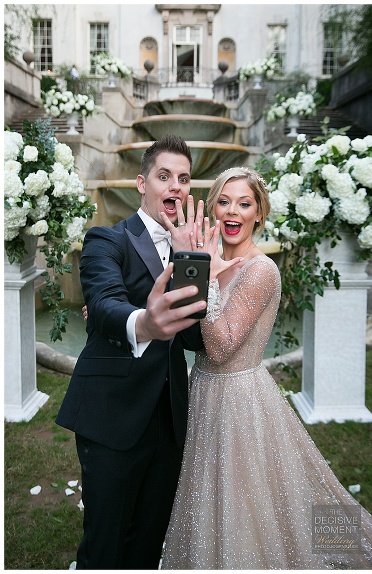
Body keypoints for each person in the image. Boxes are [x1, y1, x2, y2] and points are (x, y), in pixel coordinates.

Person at [161, 167, 372, 569]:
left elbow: (221, 346)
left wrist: (208, 281)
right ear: (213, 209)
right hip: (204, 391)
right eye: (224, 202)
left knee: (248, 497)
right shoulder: (211, 259)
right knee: (208, 494)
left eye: (244, 204)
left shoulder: (261, 270)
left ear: (259, 213)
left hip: (238, 399)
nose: (233, 211)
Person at [56, 135, 239, 569]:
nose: (175, 186)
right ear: (142, 183)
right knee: (105, 544)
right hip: (112, 415)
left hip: (168, 420)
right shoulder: (107, 239)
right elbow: (104, 305)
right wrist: (144, 323)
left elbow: (193, 340)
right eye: (164, 176)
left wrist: (205, 275)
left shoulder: (192, 250)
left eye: (183, 179)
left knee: (148, 542)